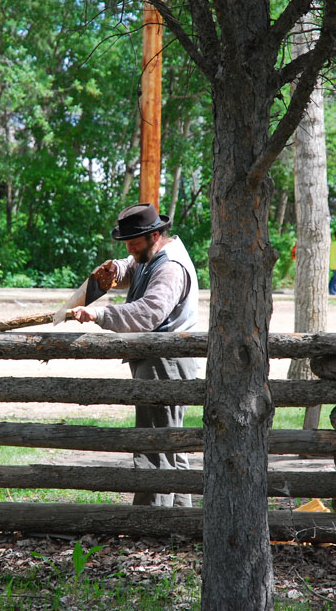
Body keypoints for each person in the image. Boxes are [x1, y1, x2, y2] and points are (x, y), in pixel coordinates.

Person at [68, 203, 198, 507]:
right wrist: (118, 267)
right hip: (163, 359)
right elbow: (135, 265)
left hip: (165, 362)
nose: (130, 248)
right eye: (126, 243)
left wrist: (98, 313)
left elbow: (148, 313)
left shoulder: (169, 267)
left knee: (153, 444)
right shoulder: (154, 253)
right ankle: (178, 522)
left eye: (134, 242)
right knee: (169, 444)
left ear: (154, 235)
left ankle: (151, 523)